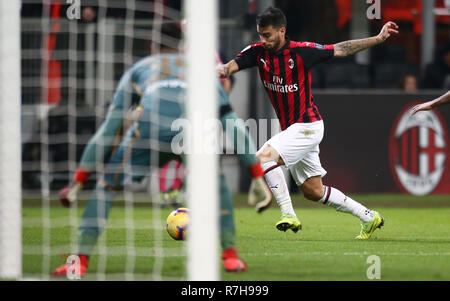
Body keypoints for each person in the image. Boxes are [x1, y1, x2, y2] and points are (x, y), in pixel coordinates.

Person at [52, 24, 270, 277]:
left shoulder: (140, 68)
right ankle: (230, 257)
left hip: (147, 133)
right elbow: (232, 124)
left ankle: (79, 260)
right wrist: (256, 174)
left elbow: (109, 130)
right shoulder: (200, 69)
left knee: (106, 186)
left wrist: (77, 181)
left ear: (153, 46)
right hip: (191, 133)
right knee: (217, 186)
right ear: (182, 46)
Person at [218, 7, 399, 239]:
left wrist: (378, 38)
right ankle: (368, 216)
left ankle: (288, 214)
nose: (263, 40)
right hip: (293, 130)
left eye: (268, 35)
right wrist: (219, 70)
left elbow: (341, 49)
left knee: (262, 158)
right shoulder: (257, 53)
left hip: (308, 126)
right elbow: (230, 67)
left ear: (282, 31)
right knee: (314, 191)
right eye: (260, 35)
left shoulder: (302, 52)